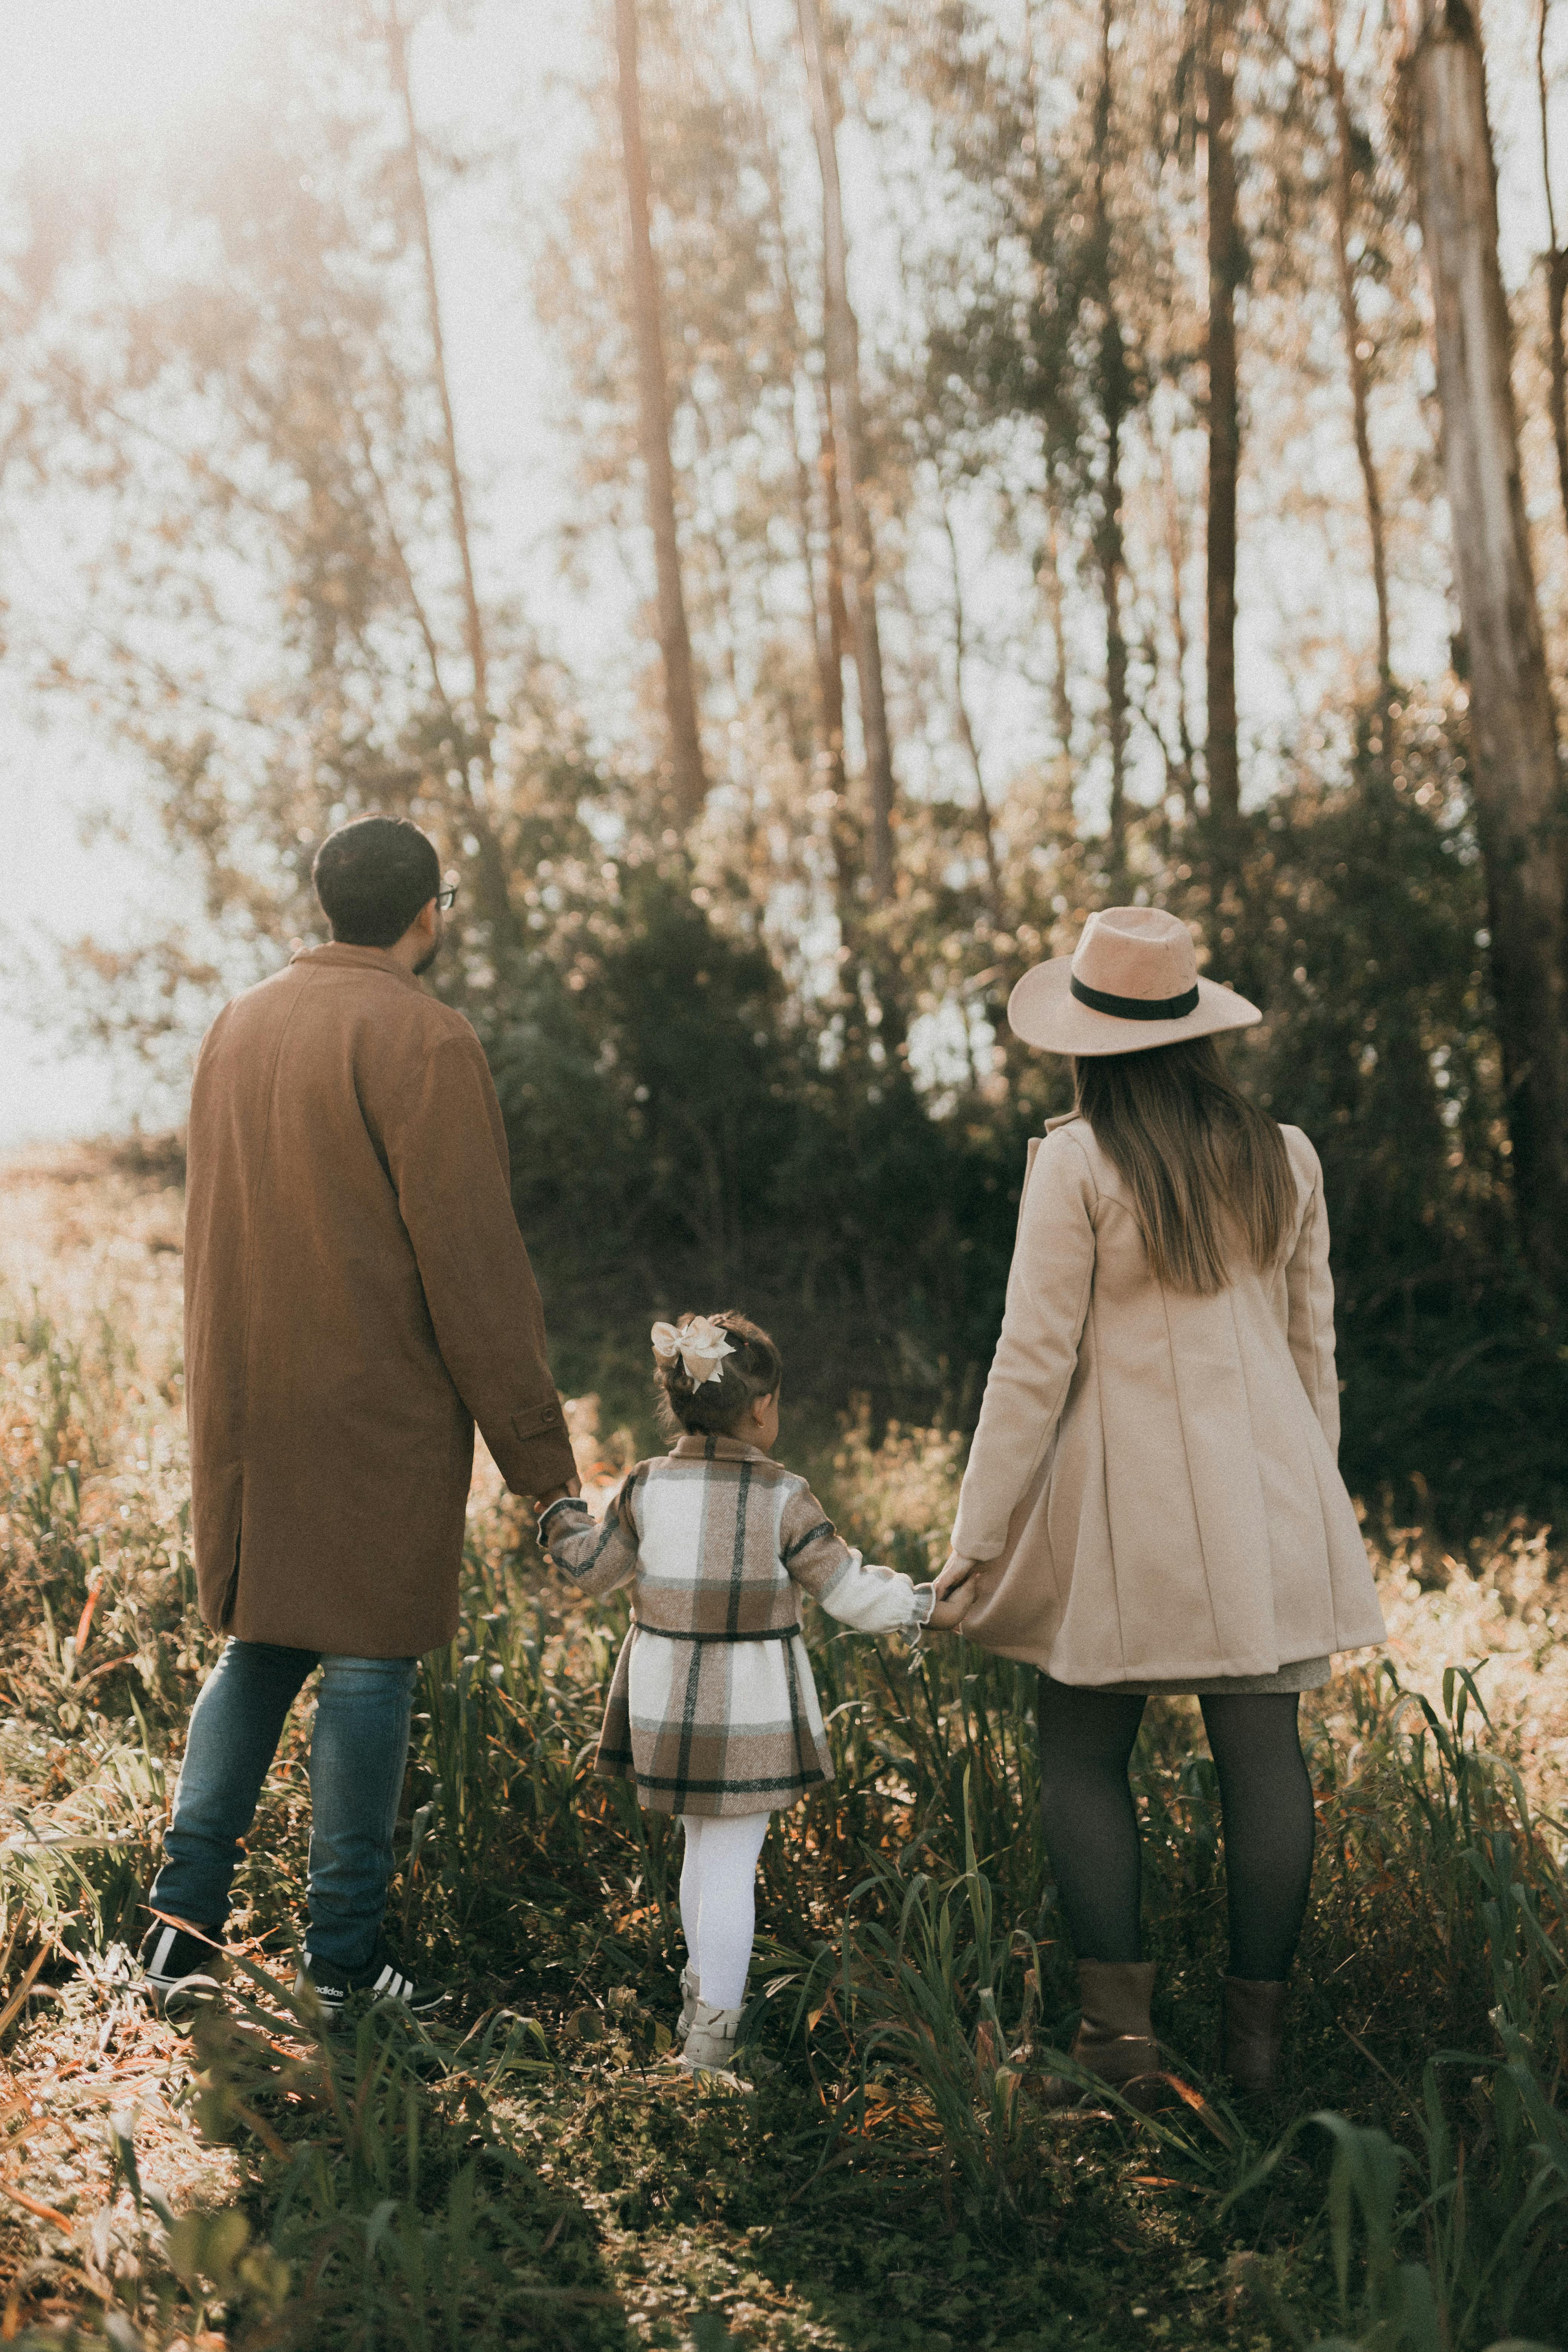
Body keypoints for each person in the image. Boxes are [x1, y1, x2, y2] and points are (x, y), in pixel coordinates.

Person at [933, 906, 1385, 2098]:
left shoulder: (1079, 1160)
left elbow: (1031, 1364)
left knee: (1082, 1753)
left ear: (1089, 1042)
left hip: (1124, 1510)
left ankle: (1119, 2052)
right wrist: (1312, 1503)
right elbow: (1312, 1349)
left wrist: (976, 1543)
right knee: (1263, 1757)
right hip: (1268, 1495)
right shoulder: (1283, 1153)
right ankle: (1258, 2054)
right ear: (1197, 1032)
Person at [137, 813, 579, 2017]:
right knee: (372, 1664)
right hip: (371, 1404)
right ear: (430, 911)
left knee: (262, 1644)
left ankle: (177, 1933)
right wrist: (545, 1471)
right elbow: (474, 1268)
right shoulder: (425, 1038)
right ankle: (340, 1964)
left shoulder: (238, 1023)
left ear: (326, 902)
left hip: (246, 1395)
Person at [539, 1311, 974, 2079]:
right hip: (748, 1708)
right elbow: (845, 1590)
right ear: (762, 1407)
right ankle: (709, 2049)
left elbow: (593, 1568)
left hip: (667, 1701)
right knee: (730, 1865)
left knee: (701, 1855)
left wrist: (558, 1513)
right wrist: (923, 1606)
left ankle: (698, 2013)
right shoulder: (784, 1496)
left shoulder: (647, 1484)